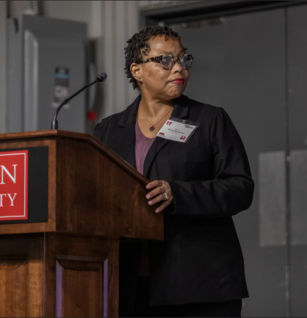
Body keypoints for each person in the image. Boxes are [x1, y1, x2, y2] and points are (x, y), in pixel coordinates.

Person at [93, 26, 254, 317]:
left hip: (199, 284)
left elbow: (240, 187)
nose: (178, 67)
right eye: (165, 60)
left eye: (183, 59)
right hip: (130, 285)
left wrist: (177, 193)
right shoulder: (108, 131)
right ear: (137, 70)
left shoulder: (209, 120)